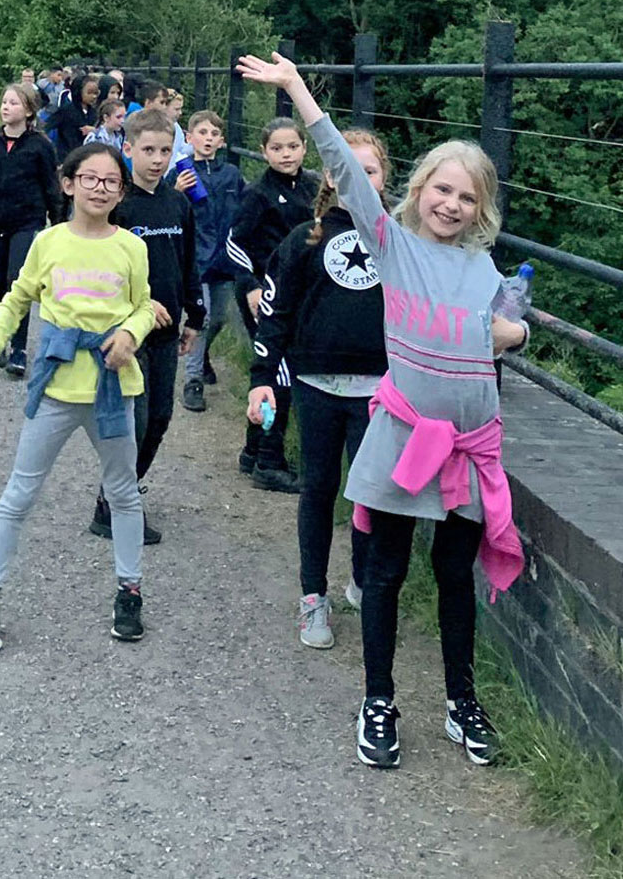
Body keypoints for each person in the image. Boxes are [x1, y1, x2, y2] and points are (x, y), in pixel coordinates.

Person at [238, 50, 527, 771]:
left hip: (468, 446)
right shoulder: (390, 245)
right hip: (404, 439)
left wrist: (517, 330)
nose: (451, 204)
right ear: (419, 189)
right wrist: (298, 89)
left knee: (456, 575)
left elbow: (508, 323)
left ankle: (461, 702)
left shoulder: (482, 268)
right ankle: (378, 698)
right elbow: (336, 151)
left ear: (480, 207)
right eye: (442, 189)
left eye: (467, 196)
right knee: (387, 571)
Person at [0, 143, 158, 654]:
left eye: (111, 181)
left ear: (121, 191)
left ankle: (129, 590)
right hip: (55, 387)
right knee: (19, 494)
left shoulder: (132, 248)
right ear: (68, 183)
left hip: (114, 389)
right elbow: (17, 297)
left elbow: (143, 307)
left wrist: (131, 336)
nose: (100, 188)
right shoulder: (48, 243)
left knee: (123, 493)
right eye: (89, 178)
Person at [247, 129, 390, 651]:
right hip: (316, 386)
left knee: (371, 495)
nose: (357, 178)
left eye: (368, 170)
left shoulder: (398, 239)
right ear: (328, 176)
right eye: (344, 168)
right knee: (319, 489)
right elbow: (276, 314)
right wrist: (262, 380)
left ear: (384, 178)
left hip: (380, 391)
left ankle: (362, 575)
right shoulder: (303, 240)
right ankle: (313, 595)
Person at [88, 108, 203, 545]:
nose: (157, 159)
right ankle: (114, 504)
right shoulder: (118, 206)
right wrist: (136, 306)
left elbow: (187, 260)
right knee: (132, 424)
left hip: (169, 331)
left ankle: (120, 492)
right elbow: (98, 268)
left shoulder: (177, 203)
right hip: (127, 335)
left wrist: (195, 314)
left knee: (159, 418)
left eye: (166, 150)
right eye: (149, 150)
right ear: (128, 148)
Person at [225, 116, 321, 493]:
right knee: (277, 374)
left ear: (304, 148)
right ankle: (269, 459)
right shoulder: (259, 193)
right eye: (277, 148)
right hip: (263, 293)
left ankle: (252, 450)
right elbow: (235, 242)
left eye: (293, 146)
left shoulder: (312, 189)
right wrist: (249, 285)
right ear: (264, 151)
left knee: (282, 369)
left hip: (296, 292)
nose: (286, 154)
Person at [0, 82, 63, 377]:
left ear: (28, 110)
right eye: (4, 102)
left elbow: (52, 188)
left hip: (27, 221)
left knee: (18, 282)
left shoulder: (40, 145)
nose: (6, 107)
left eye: (14, 103)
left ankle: (19, 348)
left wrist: (58, 227)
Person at [180, 110, 246, 411]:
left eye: (214, 134)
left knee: (219, 316)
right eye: (202, 133)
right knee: (203, 317)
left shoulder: (231, 174)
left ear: (221, 141)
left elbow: (245, 208)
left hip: (224, 257)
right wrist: (177, 192)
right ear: (189, 137)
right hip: (196, 257)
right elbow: (170, 209)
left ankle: (202, 352)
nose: (208, 138)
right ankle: (192, 380)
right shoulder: (182, 174)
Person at [47, 71, 98, 162]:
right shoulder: (67, 110)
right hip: (67, 156)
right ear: (78, 91)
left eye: (96, 93)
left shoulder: (94, 112)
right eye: (89, 93)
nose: (93, 96)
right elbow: (47, 125)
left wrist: (94, 130)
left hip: (88, 157)